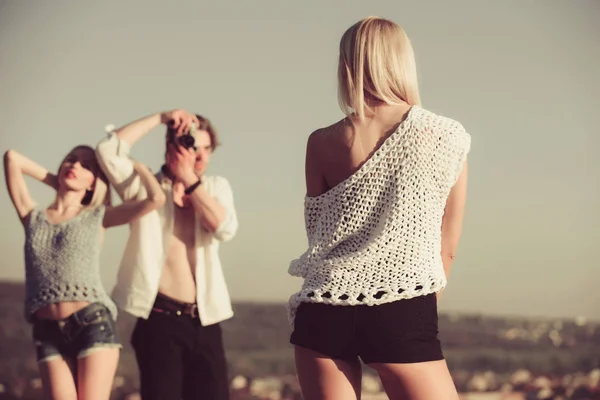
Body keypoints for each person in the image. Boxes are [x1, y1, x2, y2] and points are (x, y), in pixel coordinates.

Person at [287, 16, 471, 400]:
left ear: (348, 66)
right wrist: (414, 307)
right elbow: (447, 246)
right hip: (402, 305)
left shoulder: (321, 142)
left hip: (324, 305)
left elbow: (321, 234)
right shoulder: (446, 135)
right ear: (403, 62)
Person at [95, 109, 238, 400]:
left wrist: (188, 177)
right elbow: (107, 150)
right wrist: (162, 117)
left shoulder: (215, 187)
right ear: (171, 146)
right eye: (191, 146)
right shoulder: (146, 188)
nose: (199, 156)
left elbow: (223, 228)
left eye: (206, 149)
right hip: (160, 319)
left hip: (206, 320)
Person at [3, 145, 165, 400]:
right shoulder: (32, 215)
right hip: (47, 331)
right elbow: (12, 158)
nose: (75, 166)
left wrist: (139, 168)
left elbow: (156, 200)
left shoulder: (98, 216)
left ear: (94, 184)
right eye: (71, 160)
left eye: (86, 166)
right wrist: (59, 182)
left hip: (91, 324)